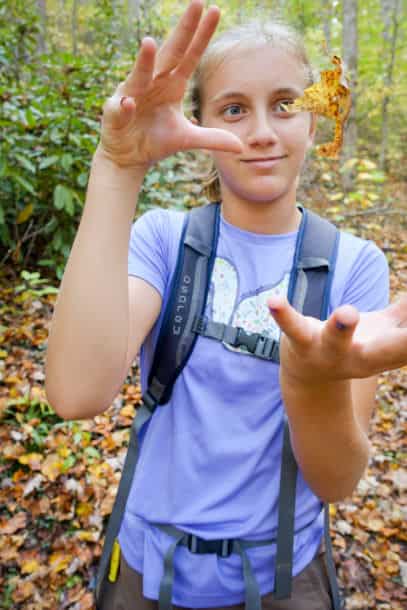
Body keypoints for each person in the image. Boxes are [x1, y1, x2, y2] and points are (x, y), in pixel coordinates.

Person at [44, 1, 407, 609]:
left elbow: (337, 480)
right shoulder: (164, 241)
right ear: (199, 129)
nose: (262, 130)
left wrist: (310, 380)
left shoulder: (355, 266)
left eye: (286, 104)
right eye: (233, 109)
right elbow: (76, 394)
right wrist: (117, 167)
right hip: (144, 573)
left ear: (314, 124)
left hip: (281, 579)